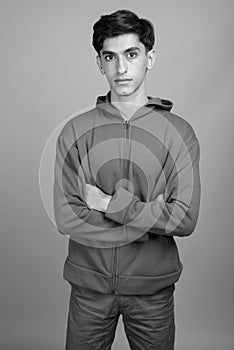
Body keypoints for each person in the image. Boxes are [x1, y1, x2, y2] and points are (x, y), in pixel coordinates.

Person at [53, 9, 201, 350]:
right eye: (110, 57)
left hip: (152, 290)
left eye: (131, 55)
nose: (121, 69)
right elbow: (66, 216)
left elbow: (185, 218)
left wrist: (108, 204)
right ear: (99, 63)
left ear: (150, 58)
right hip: (89, 290)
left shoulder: (179, 133)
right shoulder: (75, 132)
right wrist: (151, 214)